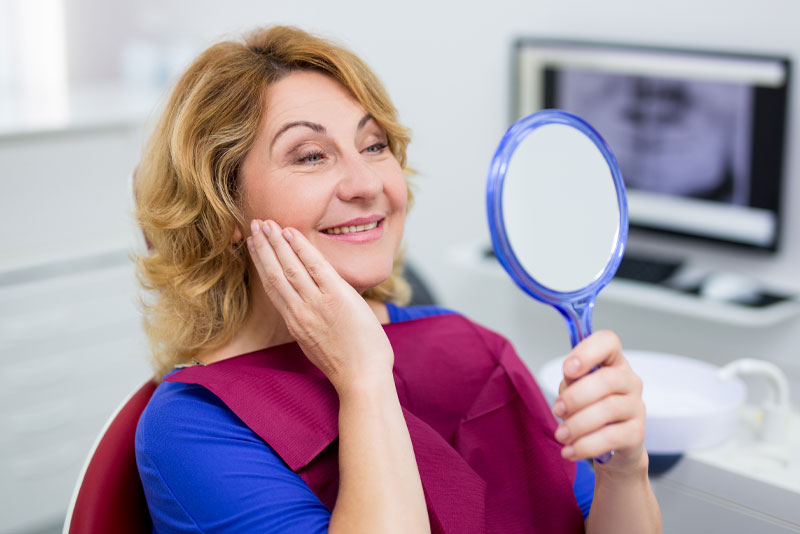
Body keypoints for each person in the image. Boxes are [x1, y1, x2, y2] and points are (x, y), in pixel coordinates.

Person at [133, 25, 662, 533]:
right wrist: (363, 378)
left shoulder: (473, 349)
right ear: (223, 210)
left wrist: (625, 469)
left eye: (374, 145)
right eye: (311, 155)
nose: (367, 183)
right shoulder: (193, 426)